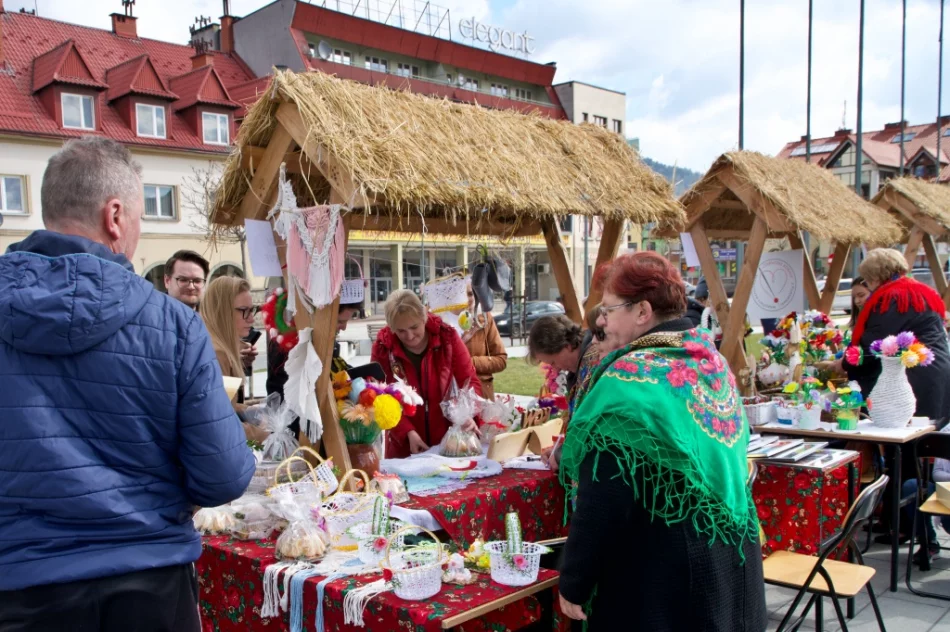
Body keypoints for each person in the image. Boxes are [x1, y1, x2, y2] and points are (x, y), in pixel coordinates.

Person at [0, 137, 255, 630]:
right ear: (115, 216)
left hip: (21, 587)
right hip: (149, 582)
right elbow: (223, 475)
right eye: (139, 218)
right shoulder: (175, 324)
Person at [557, 252, 766, 631]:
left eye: (608, 310)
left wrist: (574, 580)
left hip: (665, 584)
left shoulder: (629, 383)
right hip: (730, 563)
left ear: (642, 312)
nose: (600, 322)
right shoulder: (708, 358)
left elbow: (604, 500)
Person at [839, 249, 950, 422]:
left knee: (914, 436)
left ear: (875, 277)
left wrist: (846, 363)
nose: (868, 284)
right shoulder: (920, 290)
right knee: (932, 438)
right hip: (937, 367)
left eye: (867, 279)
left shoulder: (891, 297)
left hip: (916, 374)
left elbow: (874, 340)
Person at [371, 290, 481, 457]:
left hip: (449, 441)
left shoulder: (447, 338)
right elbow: (380, 397)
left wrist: (467, 414)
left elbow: (470, 381)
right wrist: (406, 431)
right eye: (400, 331)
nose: (409, 336)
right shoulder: (383, 348)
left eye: (414, 327)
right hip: (404, 447)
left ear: (424, 317)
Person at [200, 276, 269, 443]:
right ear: (222, 311)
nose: (251, 319)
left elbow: (224, 406)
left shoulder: (216, 348)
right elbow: (219, 424)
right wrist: (266, 434)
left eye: (252, 310)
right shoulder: (218, 354)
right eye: (244, 310)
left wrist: (250, 412)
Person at [528, 314, 601, 472]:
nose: (556, 369)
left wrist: (562, 453)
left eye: (553, 362)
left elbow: (589, 428)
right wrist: (560, 450)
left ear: (567, 345)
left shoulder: (592, 363)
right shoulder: (581, 366)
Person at [461, 281, 507, 400]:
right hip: (453, 398)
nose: (467, 299)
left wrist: (470, 363)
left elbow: (501, 360)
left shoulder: (484, 319)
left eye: (470, 294)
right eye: (461, 295)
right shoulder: (442, 323)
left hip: (482, 395)